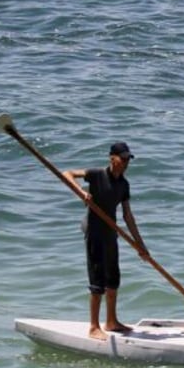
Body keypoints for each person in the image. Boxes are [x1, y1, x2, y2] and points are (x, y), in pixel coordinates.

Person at [62, 142, 149, 341]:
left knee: (113, 279)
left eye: (128, 159)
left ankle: (111, 321)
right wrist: (81, 192)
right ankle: (93, 326)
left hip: (111, 232)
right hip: (94, 231)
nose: (126, 163)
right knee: (97, 279)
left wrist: (141, 246)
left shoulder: (124, 185)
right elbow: (67, 174)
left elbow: (128, 216)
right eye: (122, 158)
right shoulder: (97, 174)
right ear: (112, 158)